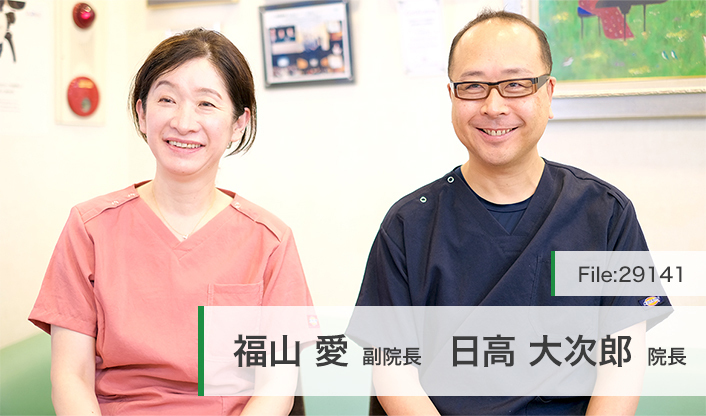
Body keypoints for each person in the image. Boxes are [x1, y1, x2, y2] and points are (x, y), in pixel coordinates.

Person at [353, 10, 671, 416]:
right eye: (473, 86)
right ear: (451, 97)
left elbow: (622, 361)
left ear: (548, 93)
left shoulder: (605, 213)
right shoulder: (408, 225)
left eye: (515, 84)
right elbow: (392, 371)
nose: (494, 106)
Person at [29, 28, 313, 415]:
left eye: (206, 104)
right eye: (167, 99)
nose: (183, 121)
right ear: (142, 113)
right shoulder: (89, 228)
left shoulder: (270, 242)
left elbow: (276, 385)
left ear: (238, 124)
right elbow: (71, 376)